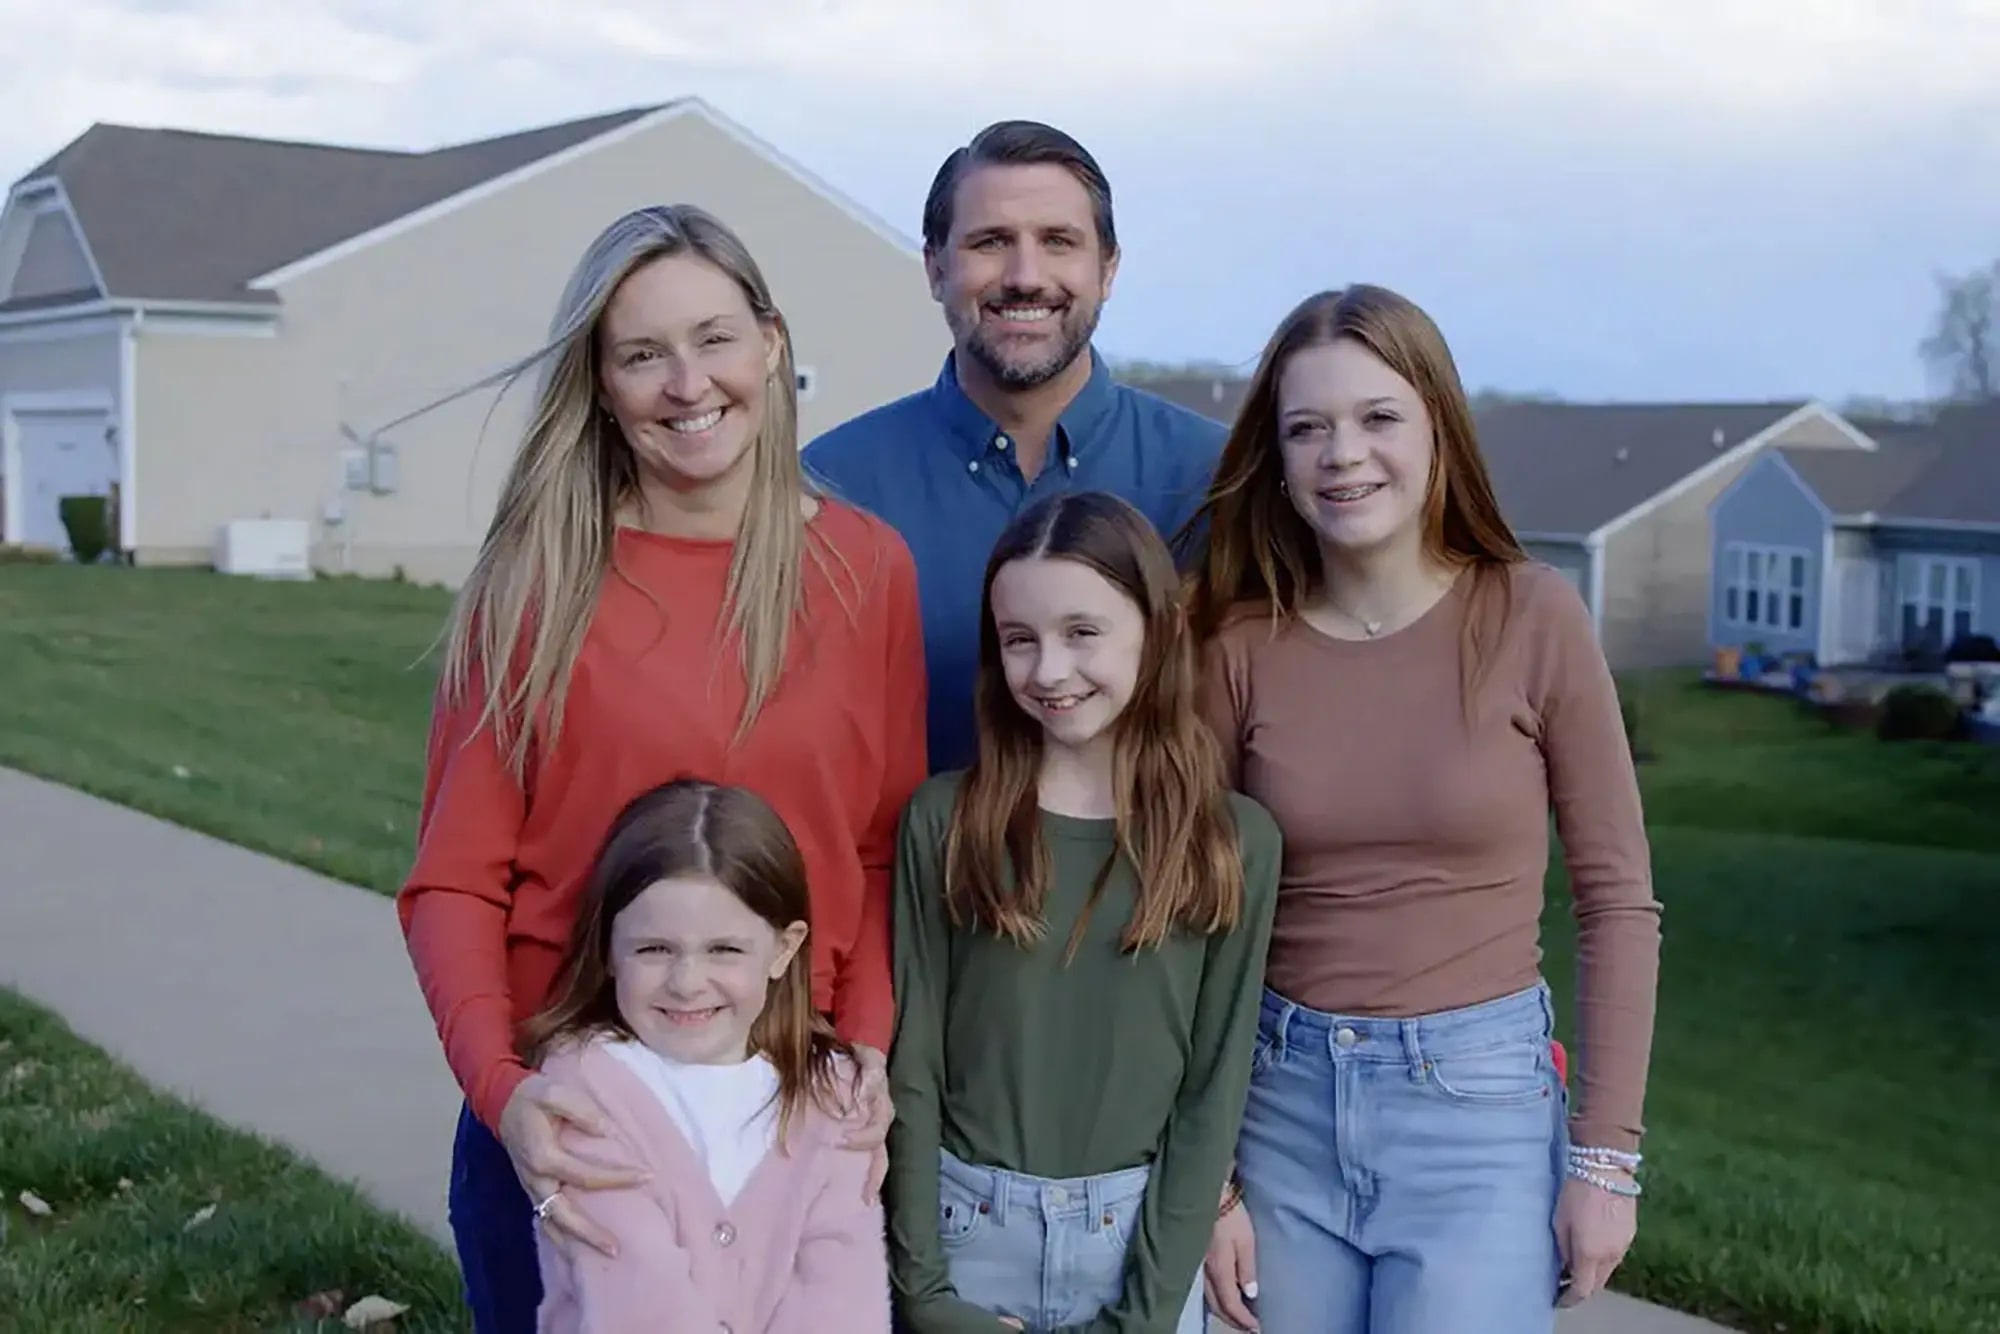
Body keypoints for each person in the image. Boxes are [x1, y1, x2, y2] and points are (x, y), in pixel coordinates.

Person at [395, 204, 927, 1332]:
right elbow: (451, 880)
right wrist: (506, 1092)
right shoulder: (537, 578)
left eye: (713, 338)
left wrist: (868, 1049)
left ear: (771, 343)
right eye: (642, 354)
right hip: (578, 1119)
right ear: (600, 382)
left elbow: (879, 852)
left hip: (789, 1124)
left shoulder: (864, 568)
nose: (687, 383)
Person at [1184, 284, 1662, 1334]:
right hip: (1279, 1109)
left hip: (1478, 1116)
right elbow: (1195, 920)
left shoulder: (1531, 614)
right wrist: (1210, 1182)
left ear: (1436, 425)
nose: (1340, 453)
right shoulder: (1234, 644)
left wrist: (1604, 1158)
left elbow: (1617, 900)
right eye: (1306, 428)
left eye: (1375, 417)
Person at [886, 490, 1282, 1332]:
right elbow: (911, 1066)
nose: (1050, 672)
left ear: (1159, 628)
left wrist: (1145, 1313)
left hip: (1137, 1245)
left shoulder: (1231, 842)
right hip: (967, 1237)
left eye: (1083, 633)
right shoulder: (946, 821)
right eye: (1020, 640)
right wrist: (924, 1295)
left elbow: (1211, 1094)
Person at [803, 119, 1226, 774]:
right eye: (991, 242)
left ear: (1107, 269)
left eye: (1059, 242)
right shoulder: (829, 490)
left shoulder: (1213, 481)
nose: (1026, 276)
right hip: (916, 873)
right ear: (935, 266)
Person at [522, 778, 892, 1333]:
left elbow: (842, 1299)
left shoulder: (834, 1100)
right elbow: (638, 1298)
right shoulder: (584, 1088)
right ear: (610, 952)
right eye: (654, 949)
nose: (687, 982)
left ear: (783, 950)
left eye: (724, 950)